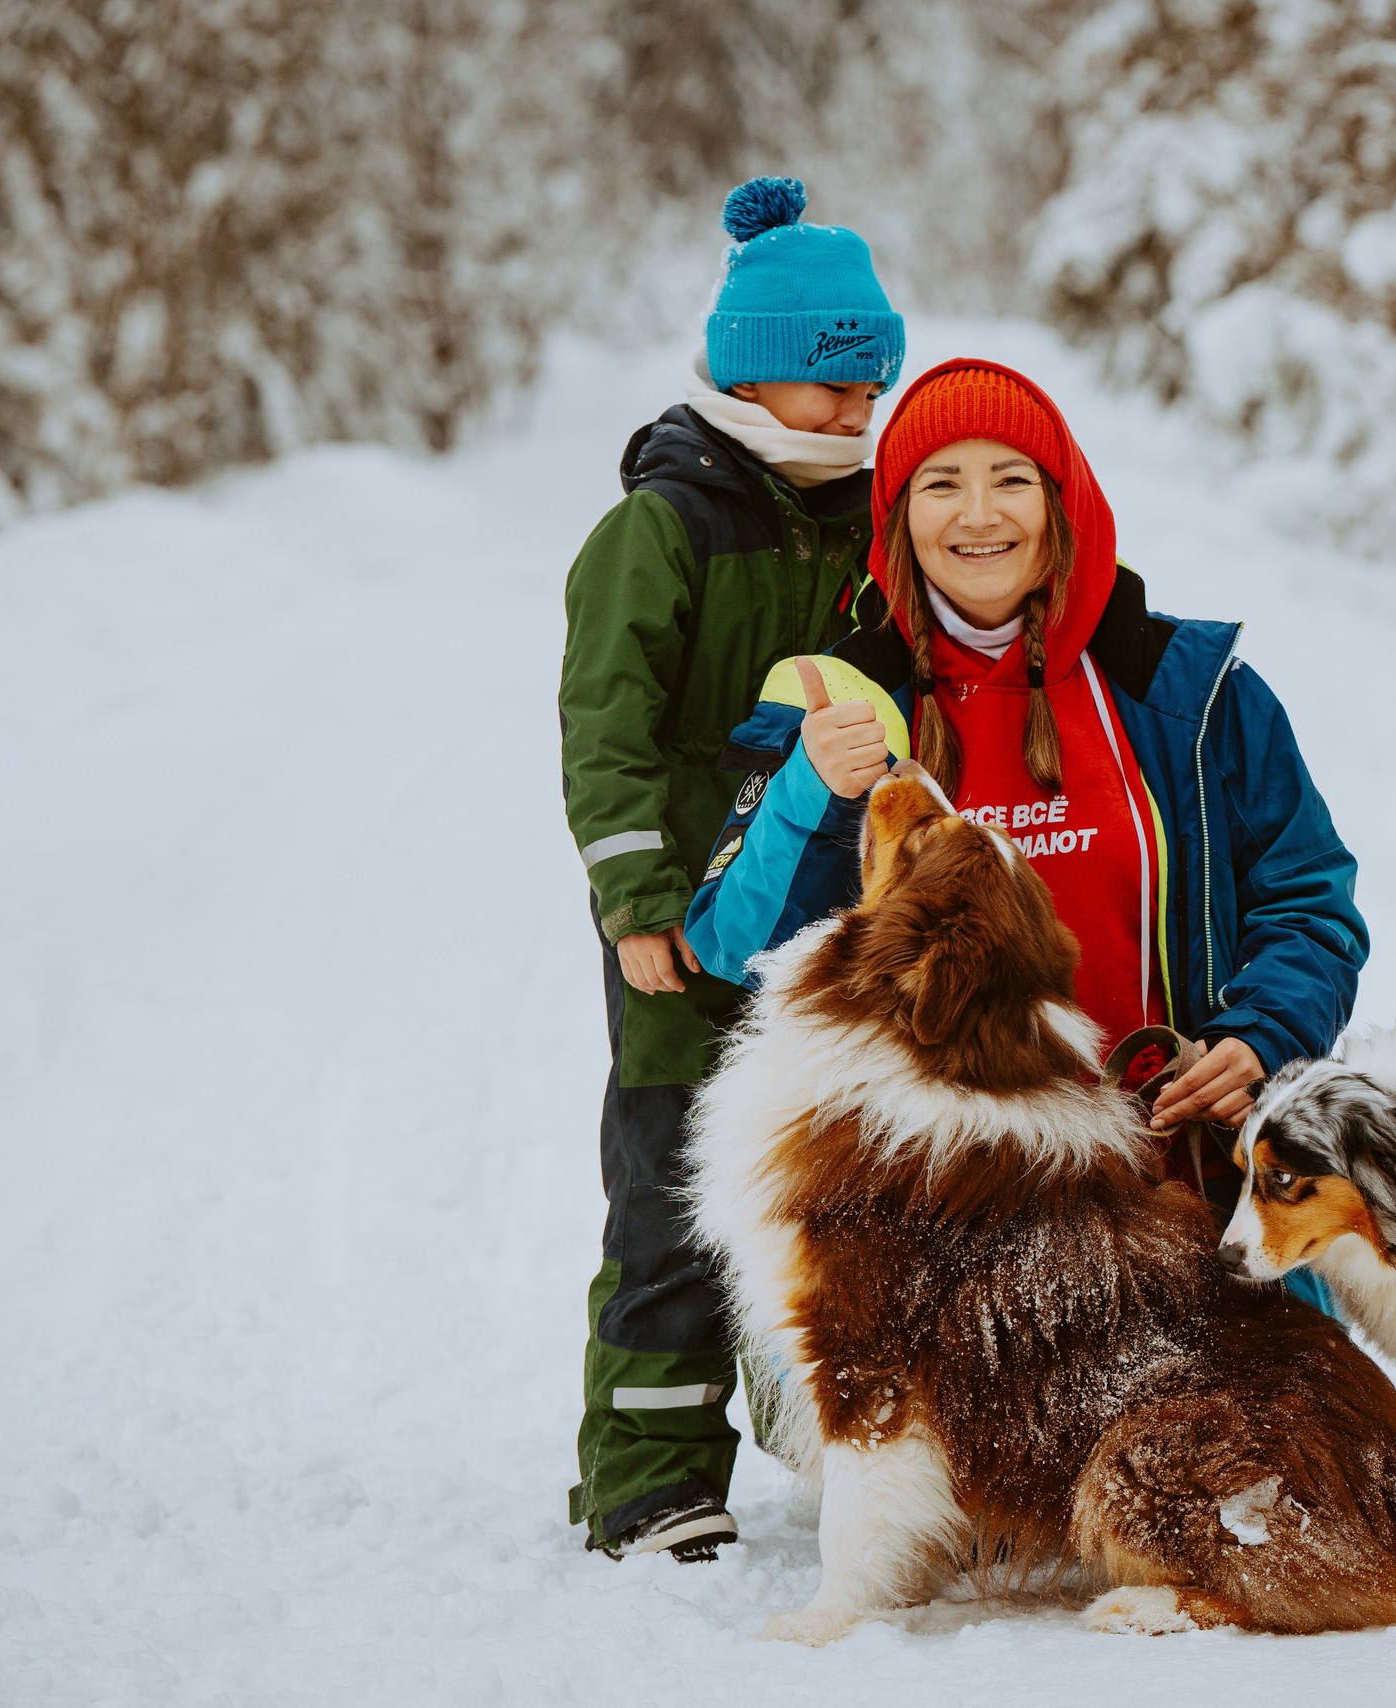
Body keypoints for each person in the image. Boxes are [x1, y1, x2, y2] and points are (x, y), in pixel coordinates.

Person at [686, 358, 1367, 1227]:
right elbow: (732, 943)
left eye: (1011, 479)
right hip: (937, 1211)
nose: (978, 514)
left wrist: (1260, 1034)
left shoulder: (1192, 691)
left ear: (1060, 500)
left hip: (1188, 1190)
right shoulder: (843, 701)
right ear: (898, 516)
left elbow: (1308, 902)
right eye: (941, 484)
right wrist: (808, 793)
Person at [559, 177, 902, 1562]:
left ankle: (840, 1446)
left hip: (825, 915)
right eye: (836, 386)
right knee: (672, 1186)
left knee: (828, 1180)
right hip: (683, 926)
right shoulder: (662, 528)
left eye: (874, 389)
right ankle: (648, 1477)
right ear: (755, 369)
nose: (860, 412)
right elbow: (606, 726)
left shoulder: (872, 519)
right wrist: (636, 899)